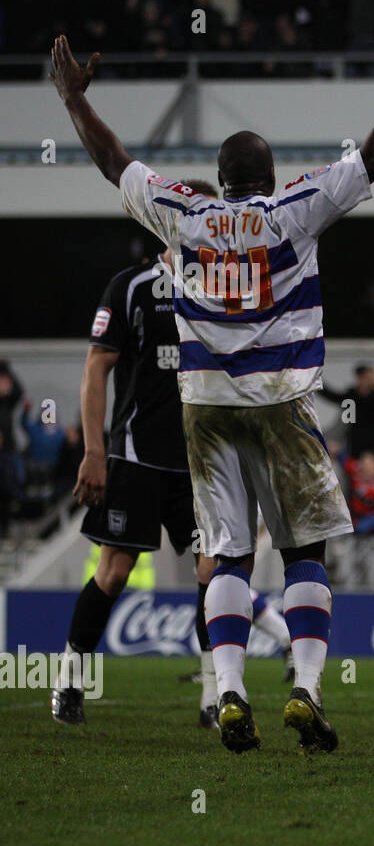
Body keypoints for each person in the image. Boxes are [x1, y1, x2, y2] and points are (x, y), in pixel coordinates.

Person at [50, 12, 374, 752]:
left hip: (204, 412)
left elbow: (113, 160)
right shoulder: (295, 211)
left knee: (230, 555)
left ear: (220, 181)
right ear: (270, 179)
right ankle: (306, 688)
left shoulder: (183, 216)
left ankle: (233, 692)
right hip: (280, 402)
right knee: (304, 551)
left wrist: (75, 103)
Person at [51, 220, 291, 730]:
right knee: (114, 573)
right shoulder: (133, 288)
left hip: (199, 464)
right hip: (135, 458)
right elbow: (96, 366)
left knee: (215, 571)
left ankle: (213, 694)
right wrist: (94, 451)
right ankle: (70, 676)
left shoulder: (226, 291)